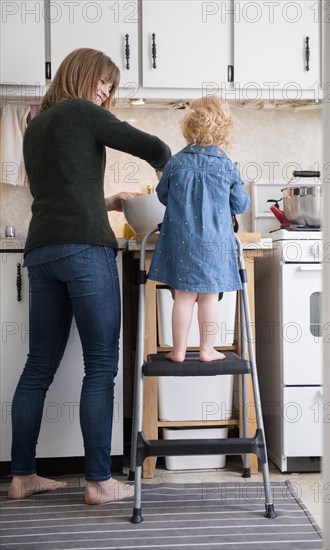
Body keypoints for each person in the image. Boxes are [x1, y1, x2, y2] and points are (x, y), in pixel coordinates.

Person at [8, 48, 171, 504]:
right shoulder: (81, 111)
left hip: (42, 251)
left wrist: (108, 201)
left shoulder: (35, 125)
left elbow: (58, 194)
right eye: (103, 82)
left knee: (37, 366)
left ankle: (22, 475)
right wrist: (168, 177)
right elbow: (153, 146)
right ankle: (100, 481)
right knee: (100, 363)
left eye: (111, 88)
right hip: (84, 250)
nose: (106, 93)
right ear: (80, 75)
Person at [148, 96, 250, 362]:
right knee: (209, 297)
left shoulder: (175, 162)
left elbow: (162, 195)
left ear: (189, 126)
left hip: (182, 242)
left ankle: (178, 351)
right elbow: (240, 204)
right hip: (215, 243)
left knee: (182, 296)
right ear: (224, 128)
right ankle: (207, 349)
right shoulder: (227, 166)